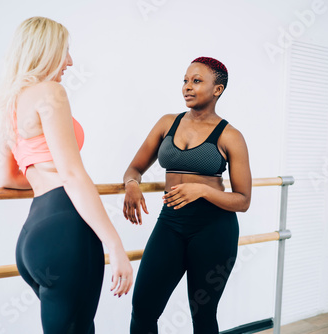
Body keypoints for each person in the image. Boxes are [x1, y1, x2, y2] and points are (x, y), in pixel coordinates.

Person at [0, 16, 133, 334]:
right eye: (64, 51)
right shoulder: (50, 92)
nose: (69, 61)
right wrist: (115, 244)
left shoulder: (8, 103)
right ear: (46, 51)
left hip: (33, 236)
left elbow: (8, 178)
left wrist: (45, 177)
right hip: (67, 232)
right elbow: (71, 174)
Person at [123, 57, 252, 334]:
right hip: (170, 223)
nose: (187, 87)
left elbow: (243, 200)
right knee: (143, 309)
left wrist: (203, 190)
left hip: (213, 229)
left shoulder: (231, 136)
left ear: (217, 90)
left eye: (196, 81)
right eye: (185, 80)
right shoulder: (167, 123)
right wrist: (132, 183)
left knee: (202, 314)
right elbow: (134, 168)